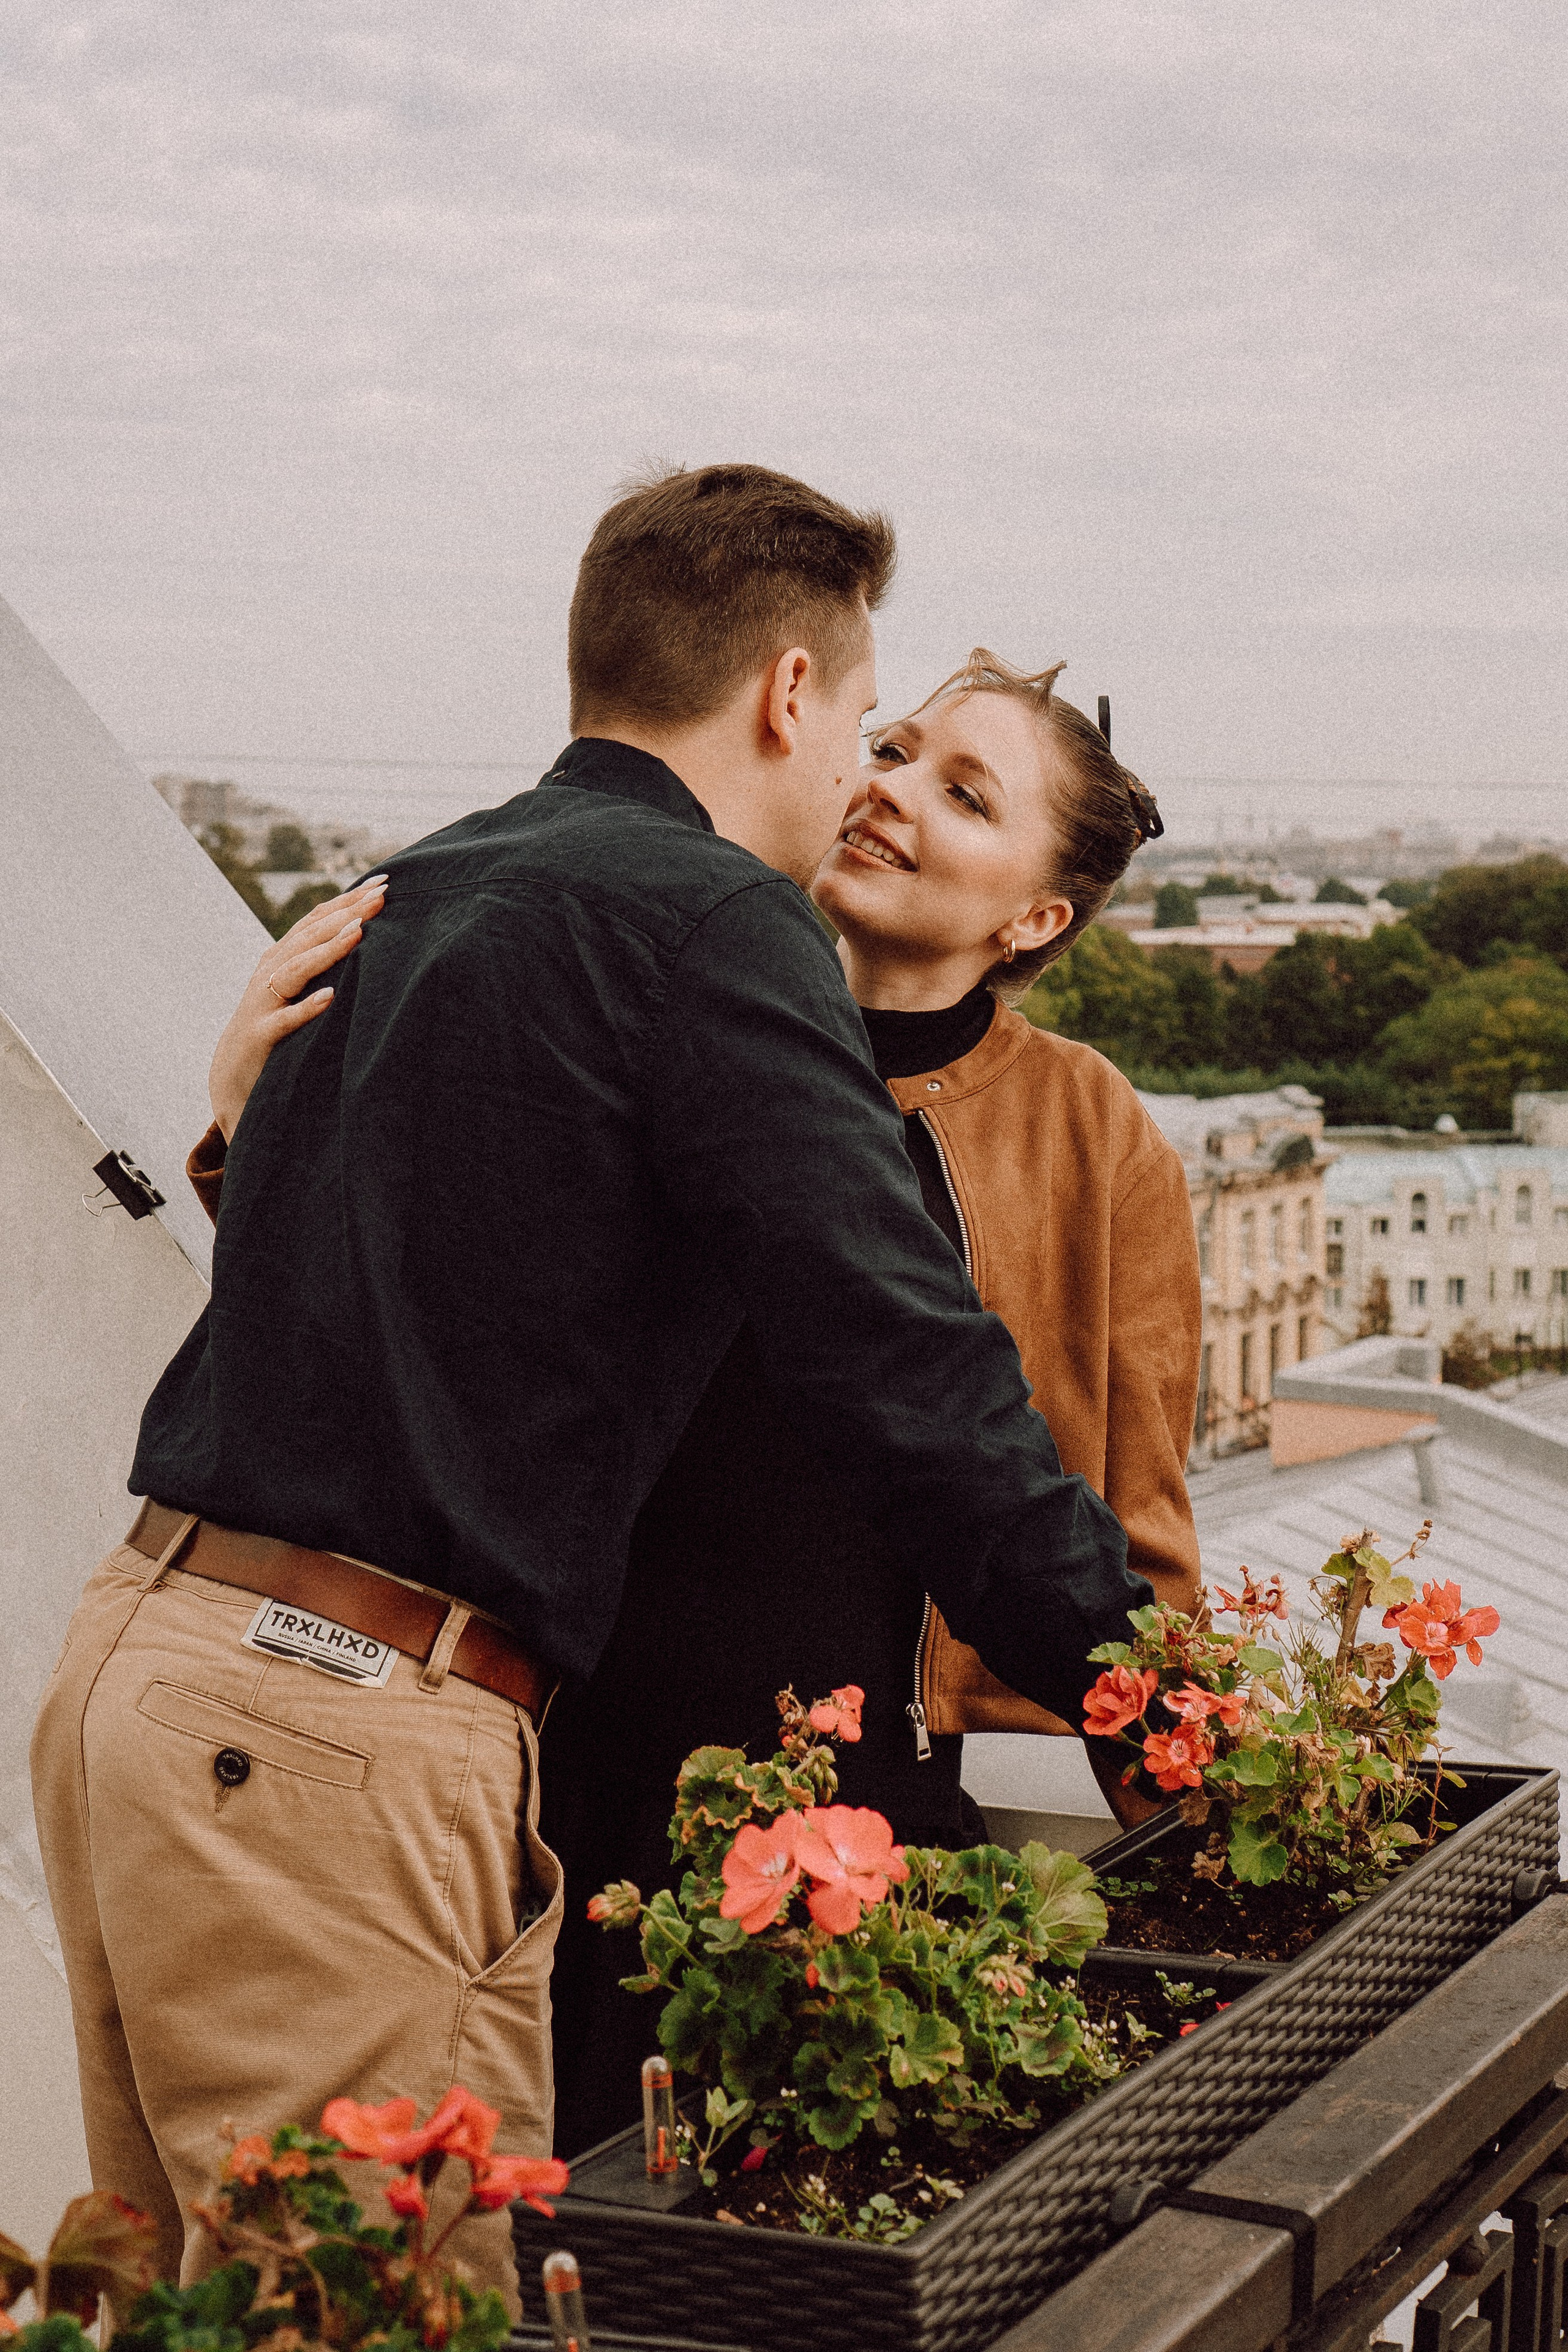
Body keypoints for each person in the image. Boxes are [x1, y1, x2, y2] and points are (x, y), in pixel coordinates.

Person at [30, 466, 1150, 2298]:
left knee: (207, 2314)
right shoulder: (717, 924)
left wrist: (237, 1137)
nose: (859, 768)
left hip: (138, 1690)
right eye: (869, 721)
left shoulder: (413, 887)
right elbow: (910, 1371)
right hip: (338, 1726)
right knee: (409, 2314)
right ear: (788, 693)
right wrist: (1154, 1700)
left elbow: (419, 1289)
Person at [188, 647, 1202, 2160]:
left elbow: (1129, 1503)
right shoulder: (671, 994)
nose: (891, 789)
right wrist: (239, 1135)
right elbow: (429, 1308)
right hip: (556, 1755)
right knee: (545, 2218)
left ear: (1035, 916)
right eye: (900, 744)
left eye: (965, 792)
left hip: (850, 1796)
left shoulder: (1090, 1131)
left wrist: (1194, 1787)